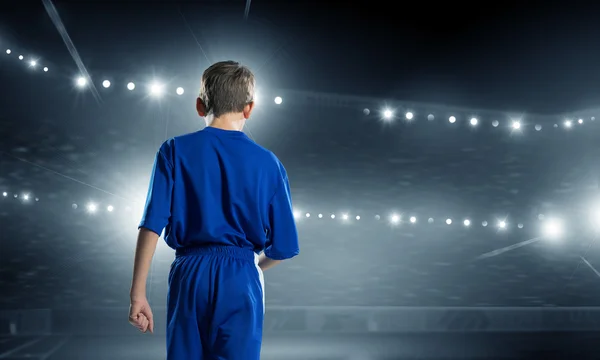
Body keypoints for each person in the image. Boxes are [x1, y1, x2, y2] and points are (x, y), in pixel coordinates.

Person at [128, 60, 300, 359]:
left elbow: (152, 224)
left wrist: (137, 294)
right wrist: (251, 267)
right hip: (242, 274)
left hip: (189, 274)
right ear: (249, 108)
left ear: (199, 105)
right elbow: (283, 247)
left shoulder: (173, 150)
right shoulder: (269, 164)